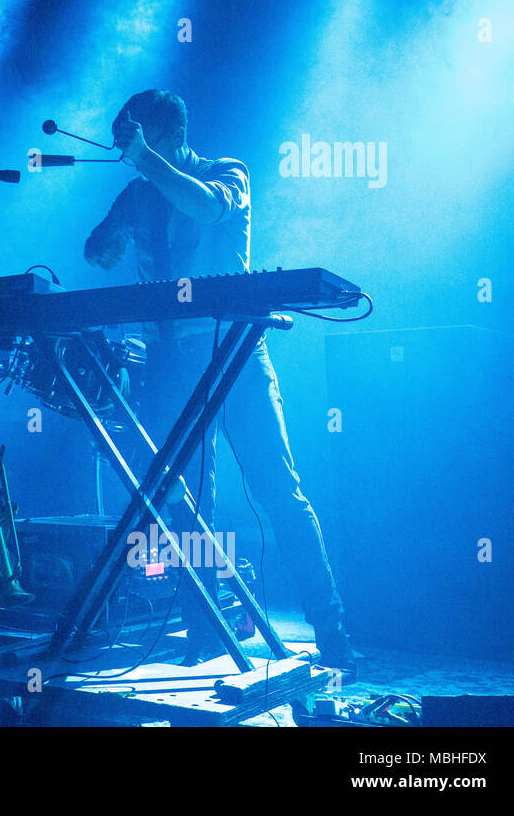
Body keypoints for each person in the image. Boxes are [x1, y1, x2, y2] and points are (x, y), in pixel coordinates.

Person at [84, 89, 356, 674]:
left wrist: (145, 164)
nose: (126, 152)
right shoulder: (137, 192)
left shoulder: (224, 173)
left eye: (136, 138)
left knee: (278, 490)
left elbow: (206, 210)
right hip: (170, 362)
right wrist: (104, 238)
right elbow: (97, 250)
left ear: (168, 134)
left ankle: (333, 633)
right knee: (184, 502)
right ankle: (202, 628)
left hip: (234, 350)